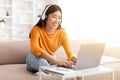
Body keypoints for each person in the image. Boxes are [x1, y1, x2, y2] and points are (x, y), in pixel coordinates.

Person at [26, 4, 77, 74]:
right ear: (45, 17)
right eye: (54, 17)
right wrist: (57, 61)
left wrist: (74, 59)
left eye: (59, 18)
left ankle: (45, 72)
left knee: (67, 63)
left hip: (50, 60)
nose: (57, 20)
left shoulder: (62, 33)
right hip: (35, 58)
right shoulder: (36, 30)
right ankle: (49, 72)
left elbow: (70, 53)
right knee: (41, 62)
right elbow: (35, 49)